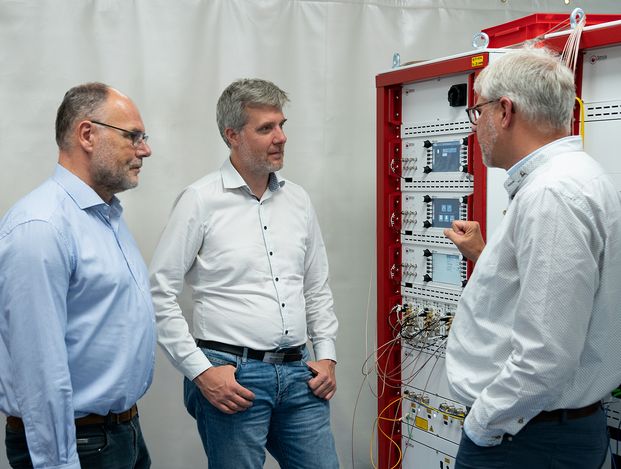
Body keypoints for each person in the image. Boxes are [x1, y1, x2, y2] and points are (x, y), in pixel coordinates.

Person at [443, 46, 621, 469]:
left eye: (478, 112)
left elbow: (546, 355)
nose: (476, 128)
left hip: (526, 439)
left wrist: (482, 425)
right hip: (550, 430)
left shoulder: (551, 195)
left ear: (505, 111)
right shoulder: (582, 178)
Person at [149, 78, 339, 468]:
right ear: (232, 135)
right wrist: (201, 372)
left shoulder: (298, 200)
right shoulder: (200, 201)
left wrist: (328, 357)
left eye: (282, 125)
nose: (281, 137)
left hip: (301, 375)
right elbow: (158, 294)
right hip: (232, 378)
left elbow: (315, 287)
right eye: (266, 128)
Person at [0, 82, 155, 469]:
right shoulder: (42, 226)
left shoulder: (105, 217)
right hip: (80, 444)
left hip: (120, 435)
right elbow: (39, 371)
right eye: (133, 136)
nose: (145, 149)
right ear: (87, 134)